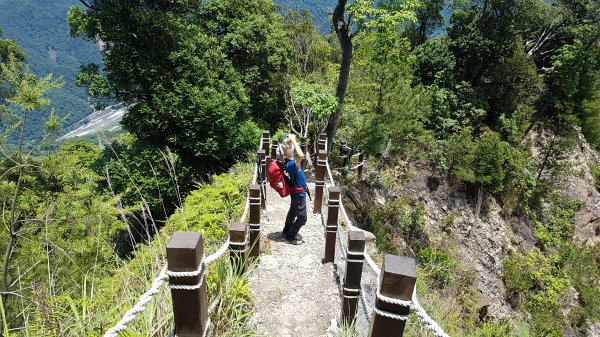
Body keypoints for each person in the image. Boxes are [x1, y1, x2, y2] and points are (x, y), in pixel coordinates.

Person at [280, 134, 307, 245]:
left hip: (296, 193)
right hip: (299, 195)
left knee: (292, 213)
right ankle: (290, 237)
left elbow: (292, 152)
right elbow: (301, 155)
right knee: (302, 218)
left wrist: (289, 141)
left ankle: (286, 231)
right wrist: (294, 141)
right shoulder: (290, 164)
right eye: (287, 148)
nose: (290, 147)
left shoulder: (291, 160)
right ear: (285, 155)